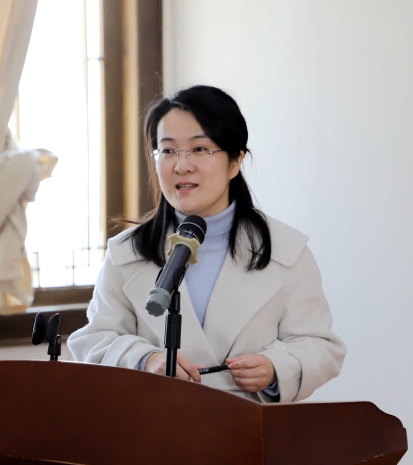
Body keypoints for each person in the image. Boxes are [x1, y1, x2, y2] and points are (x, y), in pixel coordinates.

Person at [68, 85, 345, 403]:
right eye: (168, 151)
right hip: (152, 425)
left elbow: (320, 346)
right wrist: (145, 360)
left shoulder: (287, 251)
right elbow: (95, 339)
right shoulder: (126, 253)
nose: (181, 165)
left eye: (199, 149)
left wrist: (274, 369)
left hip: (247, 425)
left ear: (235, 161)